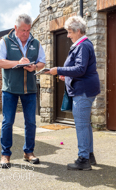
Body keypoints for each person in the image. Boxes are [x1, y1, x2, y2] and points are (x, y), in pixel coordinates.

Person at [46, 16, 100, 170]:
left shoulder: (83, 46)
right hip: (85, 89)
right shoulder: (83, 44)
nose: (68, 35)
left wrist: (59, 70)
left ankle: (83, 160)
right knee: (85, 124)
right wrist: (67, 75)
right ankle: (89, 155)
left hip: (83, 91)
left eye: (69, 32)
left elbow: (81, 69)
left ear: (78, 31)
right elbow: (81, 69)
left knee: (82, 125)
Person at [0, 14, 46, 168]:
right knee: (7, 122)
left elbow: (42, 62)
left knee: (31, 122)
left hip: (29, 89)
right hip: (10, 89)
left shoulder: (35, 43)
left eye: (28, 30)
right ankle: (5, 154)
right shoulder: (5, 41)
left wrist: (35, 66)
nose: (26, 33)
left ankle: (28, 152)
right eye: (23, 30)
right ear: (16, 27)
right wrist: (18, 62)